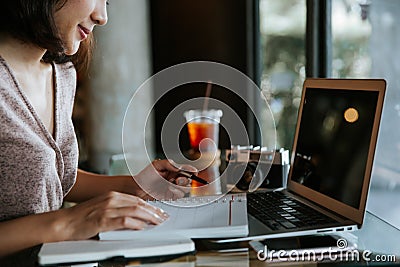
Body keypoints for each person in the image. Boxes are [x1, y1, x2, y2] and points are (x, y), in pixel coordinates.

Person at [0, 0, 195, 259]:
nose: (102, 17)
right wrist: (68, 223)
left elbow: (48, 180)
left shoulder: (61, 74)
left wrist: (133, 185)